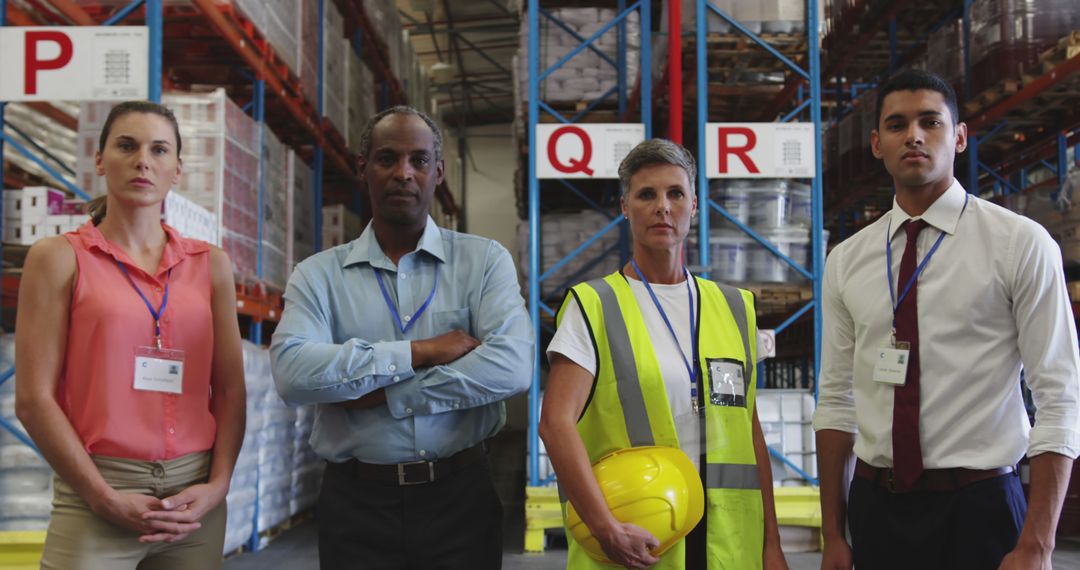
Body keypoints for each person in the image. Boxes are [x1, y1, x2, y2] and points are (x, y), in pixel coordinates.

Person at [814, 69, 1080, 570]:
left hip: (980, 508)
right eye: (896, 125)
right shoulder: (847, 260)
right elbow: (834, 399)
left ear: (958, 137)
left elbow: (1060, 394)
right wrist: (833, 533)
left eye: (930, 122)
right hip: (877, 509)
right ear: (876, 144)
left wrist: (1037, 543)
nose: (913, 135)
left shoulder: (1019, 244)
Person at [270, 105, 534, 569]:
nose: (403, 173)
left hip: (461, 498)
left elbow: (512, 366)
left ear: (439, 171)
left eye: (419, 160)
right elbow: (294, 375)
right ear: (363, 169)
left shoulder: (484, 262)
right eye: (387, 159)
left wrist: (385, 394)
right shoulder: (318, 276)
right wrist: (422, 351)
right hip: (356, 505)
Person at [14, 100, 247, 569]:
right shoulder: (58, 258)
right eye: (127, 145)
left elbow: (229, 389)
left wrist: (218, 486)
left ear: (177, 169)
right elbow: (34, 399)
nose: (143, 160)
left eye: (159, 150)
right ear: (100, 160)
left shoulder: (211, 265)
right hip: (97, 490)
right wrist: (101, 497)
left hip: (192, 502)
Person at [539, 138, 787, 570]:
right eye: (646, 194)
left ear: (694, 206)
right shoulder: (594, 305)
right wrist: (605, 529)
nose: (662, 206)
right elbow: (555, 423)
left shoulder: (734, 306)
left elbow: (750, 433)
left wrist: (771, 545)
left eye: (676, 193)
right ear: (624, 206)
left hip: (729, 547)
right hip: (635, 544)